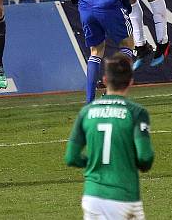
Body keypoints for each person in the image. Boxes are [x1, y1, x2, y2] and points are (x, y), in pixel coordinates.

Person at [65, 53, 154, 219]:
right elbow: (145, 158)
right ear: (131, 82)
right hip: (124, 197)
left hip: (93, 197)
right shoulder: (136, 112)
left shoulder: (86, 112)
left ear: (105, 80)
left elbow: (71, 157)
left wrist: (93, 161)